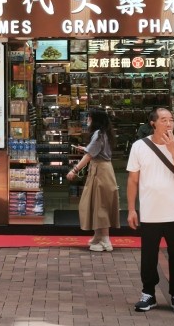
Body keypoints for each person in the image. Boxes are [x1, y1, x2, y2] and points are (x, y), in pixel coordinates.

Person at [126, 107, 174, 315]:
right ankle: (148, 293)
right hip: (150, 212)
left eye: (171, 120)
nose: (168, 123)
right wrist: (131, 209)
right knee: (148, 256)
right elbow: (133, 180)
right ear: (153, 123)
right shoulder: (139, 146)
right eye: (163, 120)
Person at [66, 107, 119, 252]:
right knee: (99, 203)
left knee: (100, 204)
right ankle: (98, 236)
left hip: (100, 171)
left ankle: (105, 240)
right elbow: (95, 151)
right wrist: (86, 149)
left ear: (95, 119)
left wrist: (74, 170)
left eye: (89, 117)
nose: (87, 119)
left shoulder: (98, 134)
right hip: (103, 170)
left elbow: (89, 156)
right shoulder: (104, 132)